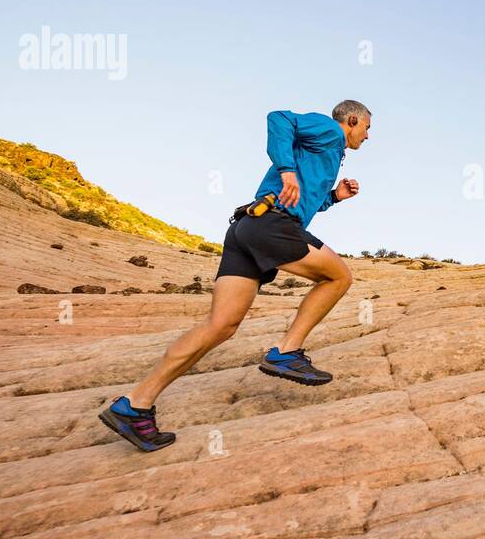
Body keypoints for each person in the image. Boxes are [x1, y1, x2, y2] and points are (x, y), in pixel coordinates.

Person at [98, 99, 371, 452]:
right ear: (352, 120)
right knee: (339, 277)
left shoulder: (328, 153)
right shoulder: (328, 131)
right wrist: (286, 169)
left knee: (220, 326)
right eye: (366, 129)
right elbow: (279, 119)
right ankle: (287, 352)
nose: (367, 137)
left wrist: (334, 197)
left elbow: (307, 199)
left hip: (247, 226)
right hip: (272, 224)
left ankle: (134, 405)